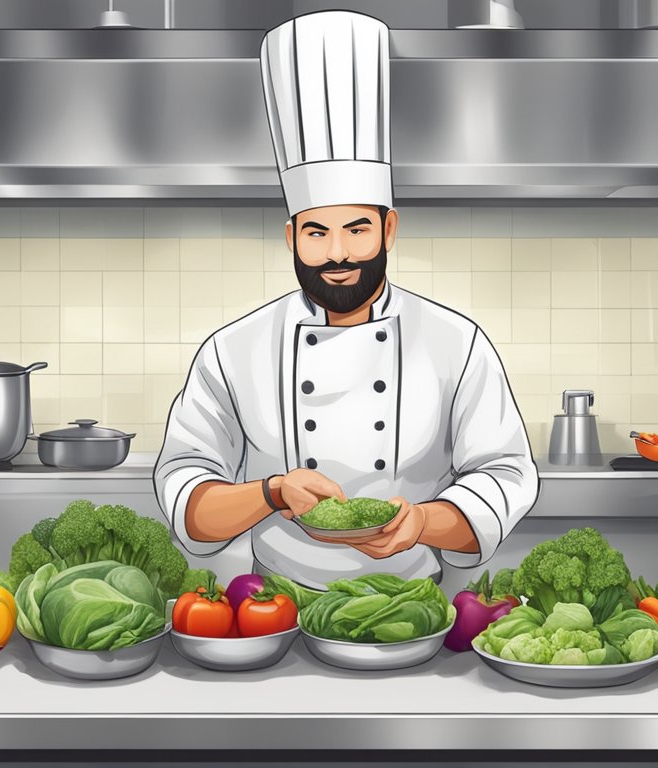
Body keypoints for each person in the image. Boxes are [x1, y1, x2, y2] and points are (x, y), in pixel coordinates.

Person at [153, 10, 539, 589]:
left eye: (357, 230)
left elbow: (504, 474)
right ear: (291, 236)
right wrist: (272, 491)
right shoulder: (233, 350)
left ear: (389, 230)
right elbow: (186, 496)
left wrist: (424, 523)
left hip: (410, 604)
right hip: (272, 611)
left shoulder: (455, 343)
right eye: (316, 233)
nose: (338, 253)